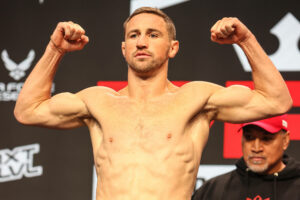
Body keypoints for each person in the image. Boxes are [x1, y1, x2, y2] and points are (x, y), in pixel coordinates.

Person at [14, 7, 292, 200]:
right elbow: (28, 110)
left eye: (153, 34)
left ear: (173, 47)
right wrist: (56, 49)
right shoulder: (96, 101)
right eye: (133, 35)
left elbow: (277, 100)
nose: (141, 42)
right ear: (124, 49)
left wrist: (245, 40)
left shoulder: (197, 99)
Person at [192, 115, 300, 200]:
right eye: (249, 137)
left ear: (285, 140)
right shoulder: (214, 189)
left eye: (266, 139)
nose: (256, 148)